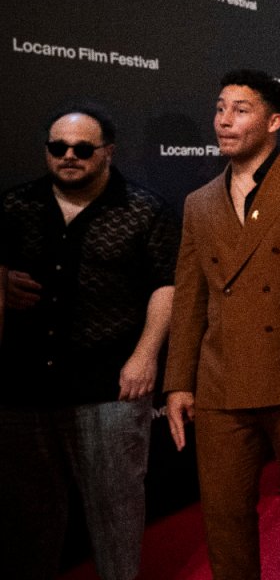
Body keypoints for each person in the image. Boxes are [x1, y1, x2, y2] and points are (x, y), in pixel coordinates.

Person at [164, 70, 280, 579]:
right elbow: (189, 300)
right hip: (220, 382)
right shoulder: (199, 203)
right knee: (224, 514)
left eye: (240, 109)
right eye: (220, 108)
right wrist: (179, 382)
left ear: (273, 121)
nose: (225, 120)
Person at [0, 104, 178, 580]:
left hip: (110, 385)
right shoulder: (14, 207)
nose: (69, 156)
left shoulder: (144, 209)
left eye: (83, 148)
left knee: (115, 510)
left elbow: (168, 285)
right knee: (28, 516)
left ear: (107, 152)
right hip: (23, 385)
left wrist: (145, 357)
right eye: (59, 147)